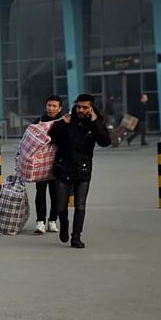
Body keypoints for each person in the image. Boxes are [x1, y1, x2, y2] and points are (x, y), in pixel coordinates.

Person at [49, 94, 111, 249]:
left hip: (83, 169)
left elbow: (105, 141)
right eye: (79, 107)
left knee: (80, 205)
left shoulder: (95, 123)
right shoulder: (68, 120)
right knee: (60, 206)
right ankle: (64, 224)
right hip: (63, 167)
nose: (81, 110)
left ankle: (76, 237)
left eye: (85, 107)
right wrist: (62, 124)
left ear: (91, 108)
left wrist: (95, 122)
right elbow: (52, 137)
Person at [31, 95, 64, 235]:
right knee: (40, 192)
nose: (51, 108)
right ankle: (40, 222)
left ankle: (52, 220)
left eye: (54, 106)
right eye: (49, 105)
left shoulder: (63, 122)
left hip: (57, 163)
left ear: (60, 108)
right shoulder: (38, 121)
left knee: (55, 193)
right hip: (41, 163)